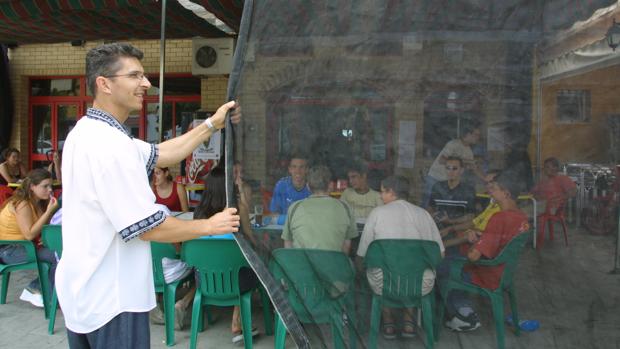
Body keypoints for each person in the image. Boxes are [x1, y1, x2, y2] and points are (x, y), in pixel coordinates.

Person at [55, 43, 241, 349]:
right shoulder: (110, 146)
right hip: (113, 300)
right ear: (104, 84)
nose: (146, 84)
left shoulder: (87, 131)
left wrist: (211, 124)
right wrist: (210, 226)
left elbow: (163, 153)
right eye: (134, 76)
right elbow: (148, 227)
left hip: (83, 296)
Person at [356, 175, 444, 339]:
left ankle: (388, 322)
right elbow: (440, 254)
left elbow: (363, 253)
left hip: (384, 285)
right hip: (420, 285)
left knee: (381, 266)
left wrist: (359, 269)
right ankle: (409, 323)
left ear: (391, 192)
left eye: (382, 192)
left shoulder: (377, 213)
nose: (381, 196)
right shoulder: (423, 214)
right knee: (412, 268)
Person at [194, 166, 259, 344]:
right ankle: (237, 321)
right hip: (235, 281)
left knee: (233, 264)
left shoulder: (198, 214)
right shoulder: (237, 211)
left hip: (205, 281)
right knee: (249, 265)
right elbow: (251, 241)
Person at [0, 168, 59, 308]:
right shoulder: (23, 203)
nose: (50, 190)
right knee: (58, 256)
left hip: (22, 246)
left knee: (59, 253)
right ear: (32, 187)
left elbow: (40, 229)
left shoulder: (38, 202)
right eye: (45, 186)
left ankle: (40, 290)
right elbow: (29, 234)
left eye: (51, 186)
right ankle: (37, 289)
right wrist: (50, 211)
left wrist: (44, 238)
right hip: (7, 250)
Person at [282, 165, 357, 254]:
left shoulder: (294, 208)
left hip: (302, 266)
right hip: (334, 266)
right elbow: (345, 247)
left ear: (308, 187)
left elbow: (288, 244)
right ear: (331, 186)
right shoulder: (346, 208)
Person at [423, 122, 485, 208]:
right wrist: (462, 161)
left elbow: (473, 168)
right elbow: (442, 160)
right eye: (476, 135)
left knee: (440, 206)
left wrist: (485, 179)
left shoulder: (469, 151)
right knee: (428, 204)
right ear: (468, 134)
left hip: (446, 183)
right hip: (435, 178)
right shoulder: (453, 144)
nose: (478, 137)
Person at [439, 170, 502, 250]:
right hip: (465, 238)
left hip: (472, 247)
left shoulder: (501, 208)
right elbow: (474, 222)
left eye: (492, 182)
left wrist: (442, 245)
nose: (488, 186)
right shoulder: (492, 203)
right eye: (486, 183)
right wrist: (450, 228)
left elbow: (477, 235)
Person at [428, 157, 476, 228]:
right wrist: (432, 215)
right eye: (448, 168)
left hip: (458, 229)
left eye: (454, 168)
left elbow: (471, 216)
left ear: (461, 170)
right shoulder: (437, 187)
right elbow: (430, 207)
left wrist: (450, 221)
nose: (451, 171)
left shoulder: (468, 190)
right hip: (436, 226)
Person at [269, 155, 311, 222]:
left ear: (307, 170)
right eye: (294, 167)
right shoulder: (281, 185)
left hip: (306, 229)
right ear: (289, 169)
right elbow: (274, 214)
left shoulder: (312, 187)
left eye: (301, 167)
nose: (298, 171)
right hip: (284, 228)